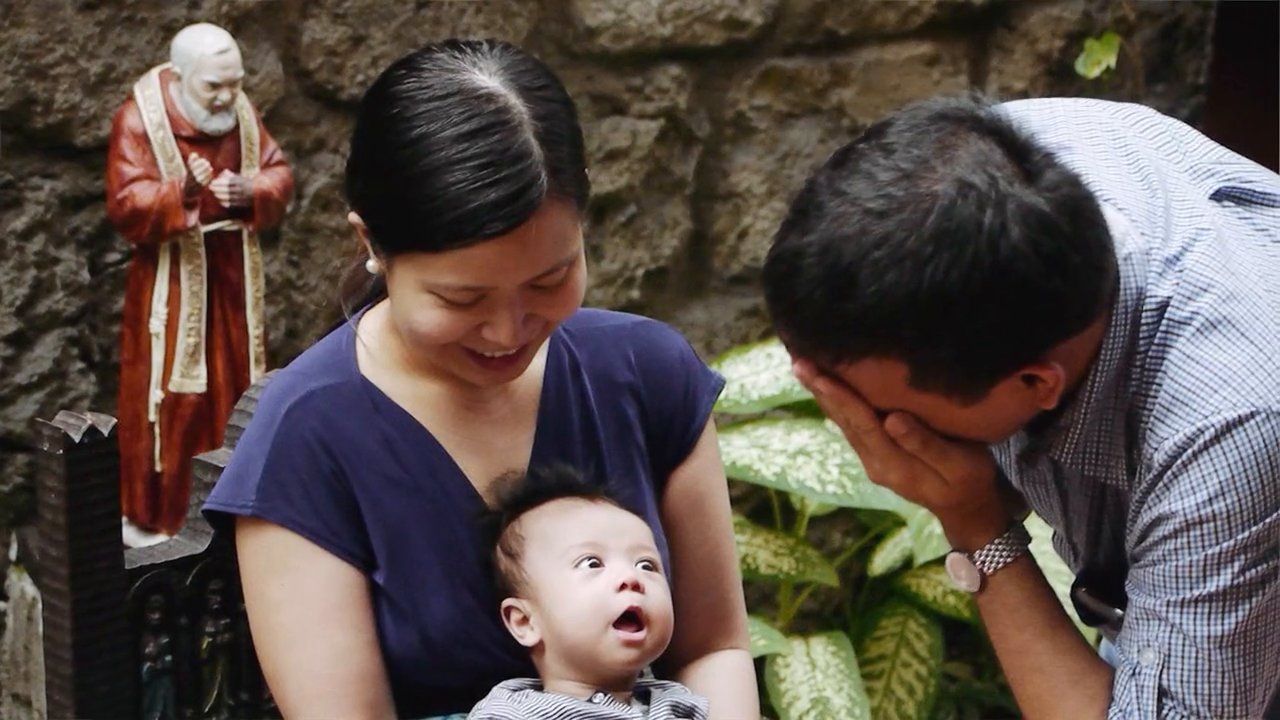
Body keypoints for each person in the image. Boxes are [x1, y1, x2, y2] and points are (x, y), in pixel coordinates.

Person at [203, 39, 757, 719]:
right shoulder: (309, 436)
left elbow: (714, 645)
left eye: (550, 280)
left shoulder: (648, 374)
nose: (508, 330)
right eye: (462, 301)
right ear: (370, 246)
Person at [762, 95, 1279, 719]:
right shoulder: (995, 168)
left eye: (868, 407)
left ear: (1035, 385)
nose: (848, 419)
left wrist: (975, 524)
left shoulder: (1225, 429)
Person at [106, 22, 294, 536]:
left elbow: (279, 173)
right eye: (214, 86)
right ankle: (162, 516)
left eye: (234, 83)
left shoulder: (241, 113)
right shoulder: (141, 119)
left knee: (237, 393)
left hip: (231, 283)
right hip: (171, 288)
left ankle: (233, 509)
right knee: (173, 401)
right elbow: (125, 203)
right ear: (179, 76)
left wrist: (252, 189)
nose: (228, 96)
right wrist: (181, 191)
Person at [467, 465, 708, 719]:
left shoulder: (679, 704)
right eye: (592, 563)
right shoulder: (511, 712)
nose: (631, 578)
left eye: (646, 565)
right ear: (525, 621)